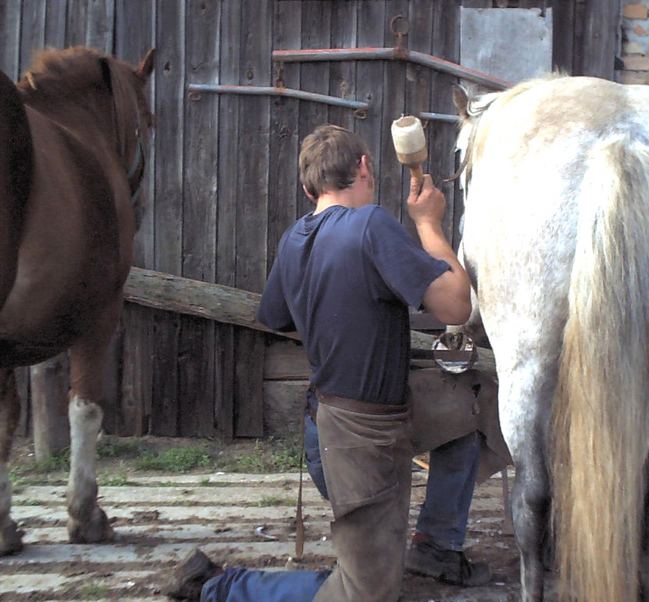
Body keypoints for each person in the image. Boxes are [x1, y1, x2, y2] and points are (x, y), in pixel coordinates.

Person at [165, 124, 490, 602]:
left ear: (307, 187)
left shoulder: (293, 239)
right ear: (363, 167)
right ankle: (216, 585)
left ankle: (436, 546)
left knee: (477, 407)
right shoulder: (371, 225)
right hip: (359, 443)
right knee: (367, 594)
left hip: (340, 422)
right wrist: (427, 224)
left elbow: (276, 316)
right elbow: (456, 307)